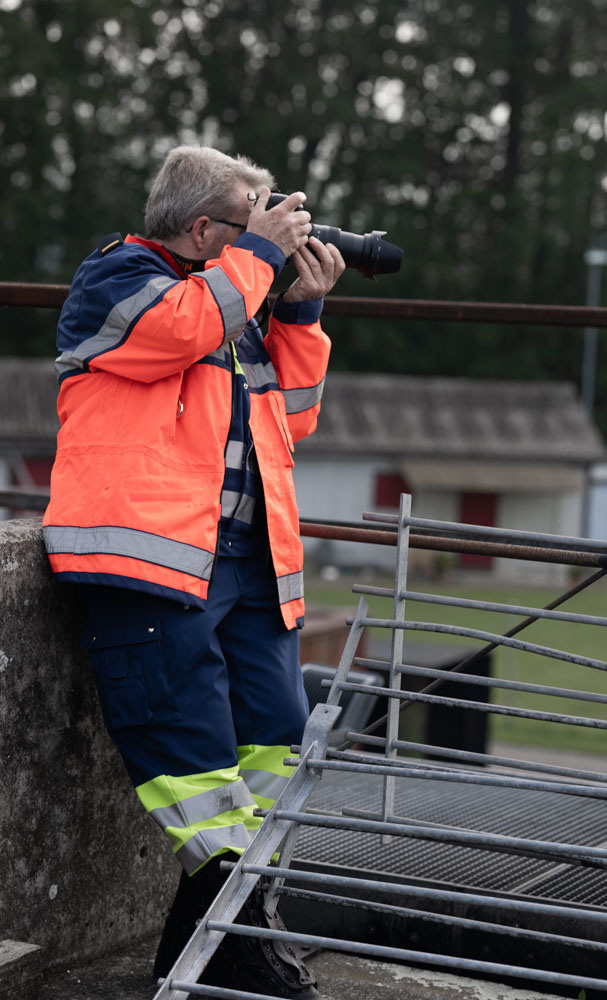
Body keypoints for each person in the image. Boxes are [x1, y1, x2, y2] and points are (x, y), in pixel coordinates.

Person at [43, 144, 345, 998]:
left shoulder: (239, 303)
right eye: (255, 220)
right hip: (154, 568)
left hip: (248, 567)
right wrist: (258, 261)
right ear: (204, 226)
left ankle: (205, 957)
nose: (273, 236)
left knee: (277, 745)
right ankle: (244, 956)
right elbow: (172, 333)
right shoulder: (116, 280)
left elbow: (294, 417)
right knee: (196, 765)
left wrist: (301, 309)